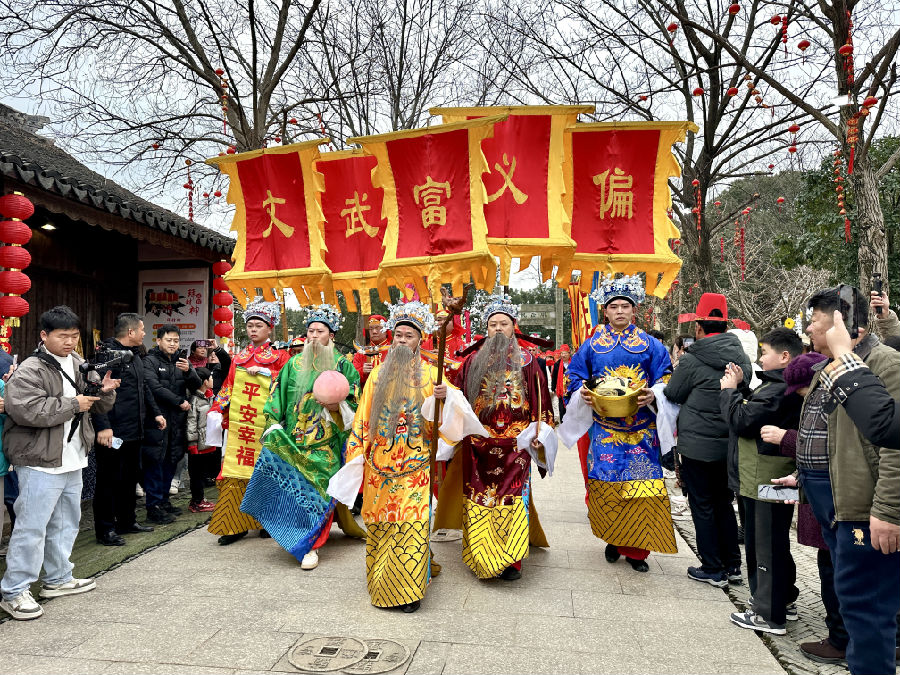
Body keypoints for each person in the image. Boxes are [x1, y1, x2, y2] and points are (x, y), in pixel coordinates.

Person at [329, 301, 483, 612]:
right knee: (383, 525)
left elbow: (451, 421)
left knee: (411, 524)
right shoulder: (377, 375)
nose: (401, 340)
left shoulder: (431, 375)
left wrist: (446, 398)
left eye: (408, 336)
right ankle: (384, 582)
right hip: (380, 465)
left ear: (420, 340)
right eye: (397, 334)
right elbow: (363, 417)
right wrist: (357, 453)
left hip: (415, 465)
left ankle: (409, 590)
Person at [795, 285, 900, 675]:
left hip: (865, 508)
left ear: (844, 322)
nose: (808, 329)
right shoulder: (832, 365)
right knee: (851, 599)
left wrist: (889, 509)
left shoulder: (884, 362)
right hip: (834, 504)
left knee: (867, 606)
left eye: (815, 321)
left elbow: (894, 442)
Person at [0, 306, 119, 620]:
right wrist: (74, 403)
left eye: (74, 336)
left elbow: (93, 403)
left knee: (66, 523)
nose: (69, 342)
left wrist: (103, 392)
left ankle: (57, 578)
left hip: (72, 456)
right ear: (44, 335)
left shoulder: (79, 362)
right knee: (31, 527)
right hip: (39, 460)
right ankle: (14, 591)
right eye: (62, 336)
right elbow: (25, 409)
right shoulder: (30, 368)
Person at [434, 293, 554, 581]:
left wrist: (540, 432)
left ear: (514, 326)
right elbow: (457, 398)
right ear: (485, 329)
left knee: (512, 499)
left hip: (516, 445)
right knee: (479, 499)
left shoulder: (529, 361)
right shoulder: (472, 360)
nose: (498, 329)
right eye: (492, 324)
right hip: (478, 444)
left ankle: (511, 560)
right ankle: (481, 554)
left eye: (503, 323)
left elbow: (542, 403)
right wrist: (443, 394)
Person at [564, 275, 677, 572]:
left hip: (642, 429)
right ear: (605, 311)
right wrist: (583, 393)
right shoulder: (591, 346)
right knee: (607, 487)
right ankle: (614, 538)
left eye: (625, 306)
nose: (620, 311)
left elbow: (666, 378)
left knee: (643, 489)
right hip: (604, 428)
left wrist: (654, 393)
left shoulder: (652, 346)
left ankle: (639, 551)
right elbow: (573, 377)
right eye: (614, 306)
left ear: (634, 310)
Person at [242, 303, 364, 569]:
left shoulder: (344, 365)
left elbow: (357, 403)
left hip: (327, 443)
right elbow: (276, 397)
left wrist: (338, 406)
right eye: (310, 331)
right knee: (296, 491)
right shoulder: (293, 365)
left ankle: (310, 544)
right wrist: (273, 425)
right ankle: (298, 534)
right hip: (296, 439)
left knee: (319, 492)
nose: (313, 336)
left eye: (319, 331)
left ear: (331, 335)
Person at [663, 293, 751, 587]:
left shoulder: (692, 359)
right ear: (726, 328)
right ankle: (733, 566)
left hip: (698, 447)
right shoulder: (741, 359)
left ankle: (713, 567)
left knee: (702, 505)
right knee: (724, 503)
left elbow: (673, 393)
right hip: (730, 443)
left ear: (699, 327)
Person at [720, 327, 803, 635]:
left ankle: (769, 614)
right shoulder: (780, 384)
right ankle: (785, 599)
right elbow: (751, 414)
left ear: (784, 356)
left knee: (764, 545)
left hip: (764, 476)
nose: (760, 359)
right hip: (767, 472)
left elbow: (742, 421)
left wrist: (728, 391)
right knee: (775, 542)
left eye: (764, 353)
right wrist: (741, 390)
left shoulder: (779, 387)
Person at [206, 297, 290, 545]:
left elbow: (285, 388)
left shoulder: (280, 357)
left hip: (264, 425)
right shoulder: (239, 357)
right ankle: (234, 523)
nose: (253, 330)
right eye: (250, 325)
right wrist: (217, 408)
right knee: (235, 471)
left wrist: (266, 373)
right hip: (241, 426)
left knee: (267, 470)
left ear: (269, 328)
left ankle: (267, 520)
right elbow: (229, 387)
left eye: (258, 326)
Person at [90, 313, 165, 546]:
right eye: (142, 329)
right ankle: (105, 529)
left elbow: (144, 389)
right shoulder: (107, 356)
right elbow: (95, 393)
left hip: (135, 428)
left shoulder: (135, 356)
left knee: (129, 477)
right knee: (108, 480)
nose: (144, 333)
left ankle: (127, 520)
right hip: (114, 430)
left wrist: (156, 413)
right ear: (131, 332)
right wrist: (103, 426)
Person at [816, 291, 900, 450]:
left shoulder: (889, 363)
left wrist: (843, 355)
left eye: (814, 321)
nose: (809, 329)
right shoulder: (824, 366)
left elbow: (886, 424)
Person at [141, 324, 201, 524]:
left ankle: (164, 501)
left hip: (177, 420)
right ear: (158, 341)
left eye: (176, 340)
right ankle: (153, 506)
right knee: (155, 462)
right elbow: (153, 387)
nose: (173, 344)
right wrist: (178, 401)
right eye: (169, 340)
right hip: (157, 419)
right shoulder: (148, 361)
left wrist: (189, 372)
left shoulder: (182, 362)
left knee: (171, 460)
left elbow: (196, 385)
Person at [185, 366, 217, 512]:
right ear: (204, 382)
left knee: (202, 472)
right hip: (197, 445)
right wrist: (192, 443)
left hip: (206, 442)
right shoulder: (195, 400)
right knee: (196, 474)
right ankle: (197, 502)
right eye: (210, 377)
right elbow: (191, 423)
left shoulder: (209, 397)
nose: (212, 380)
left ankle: (200, 499)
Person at [352, 314, 391, 388]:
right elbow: (352, 377)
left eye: (378, 328)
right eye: (370, 329)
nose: (374, 331)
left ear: (386, 331)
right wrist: (362, 371)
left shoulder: (394, 351)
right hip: (366, 396)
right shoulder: (361, 353)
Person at [550, 344, 571, 422]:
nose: (563, 355)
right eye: (562, 353)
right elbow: (554, 377)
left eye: (565, 353)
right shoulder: (557, 364)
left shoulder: (573, 363)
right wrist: (553, 387)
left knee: (571, 407)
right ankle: (563, 423)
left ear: (569, 353)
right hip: (561, 389)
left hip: (571, 389)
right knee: (562, 408)